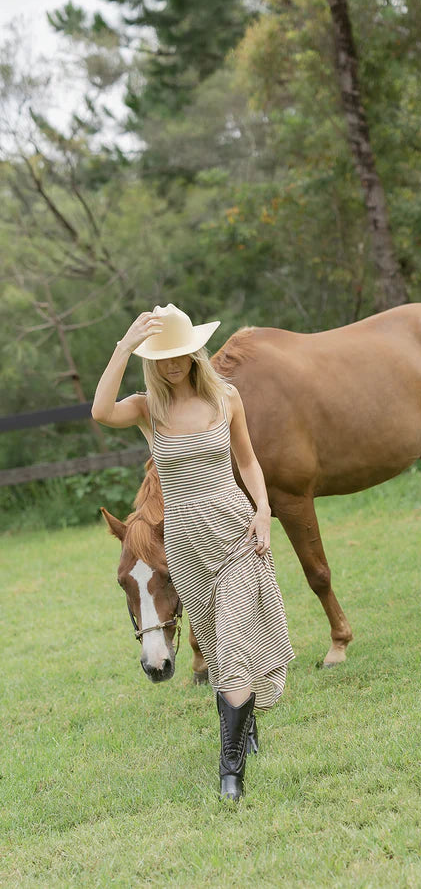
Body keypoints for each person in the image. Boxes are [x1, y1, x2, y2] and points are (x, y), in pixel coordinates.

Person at [92, 303, 294, 801]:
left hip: (233, 530)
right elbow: (100, 411)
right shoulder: (147, 408)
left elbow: (247, 462)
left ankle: (230, 770)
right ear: (151, 362)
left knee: (238, 643)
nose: (172, 363)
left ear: (195, 352)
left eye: (180, 353)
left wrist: (263, 512)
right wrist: (123, 345)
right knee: (219, 646)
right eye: (161, 356)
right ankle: (243, 731)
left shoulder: (228, 399)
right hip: (185, 544)